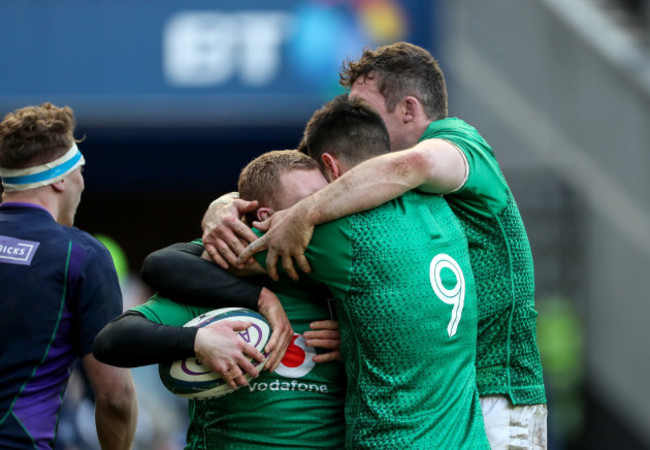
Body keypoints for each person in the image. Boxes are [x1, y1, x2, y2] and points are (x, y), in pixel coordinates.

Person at [208, 42, 547, 448]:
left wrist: (303, 214)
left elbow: (412, 165)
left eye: (365, 111)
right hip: (454, 399)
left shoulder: (457, 141)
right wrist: (223, 207)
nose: (356, 124)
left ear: (408, 110)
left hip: (497, 391)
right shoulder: (390, 206)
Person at [94, 150, 346, 449]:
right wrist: (199, 341)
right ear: (266, 217)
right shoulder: (216, 283)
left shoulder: (344, 279)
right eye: (310, 200)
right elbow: (111, 341)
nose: (323, 210)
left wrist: (357, 343)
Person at [0, 103, 137, 449]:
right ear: (61, 179)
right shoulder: (82, 256)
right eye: (81, 170)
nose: (82, 182)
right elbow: (116, 397)